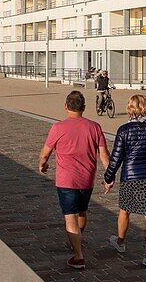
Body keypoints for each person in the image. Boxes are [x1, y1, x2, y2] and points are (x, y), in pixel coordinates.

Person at [39, 90, 109, 270]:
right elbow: (104, 154)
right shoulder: (95, 127)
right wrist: (109, 175)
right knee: (82, 212)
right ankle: (78, 238)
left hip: (66, 180)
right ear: (84, 108)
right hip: (87, 179)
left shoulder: (58, 128)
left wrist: (43, 165)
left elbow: (45, 153)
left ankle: (78, 256)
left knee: (70, 216)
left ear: (65, 107)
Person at [103, 94, 146, 269]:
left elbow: (116, 158)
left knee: (124, 211)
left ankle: (121, 241)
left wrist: (108, 178)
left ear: (130, 108)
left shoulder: (124, 130)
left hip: (130, 176)